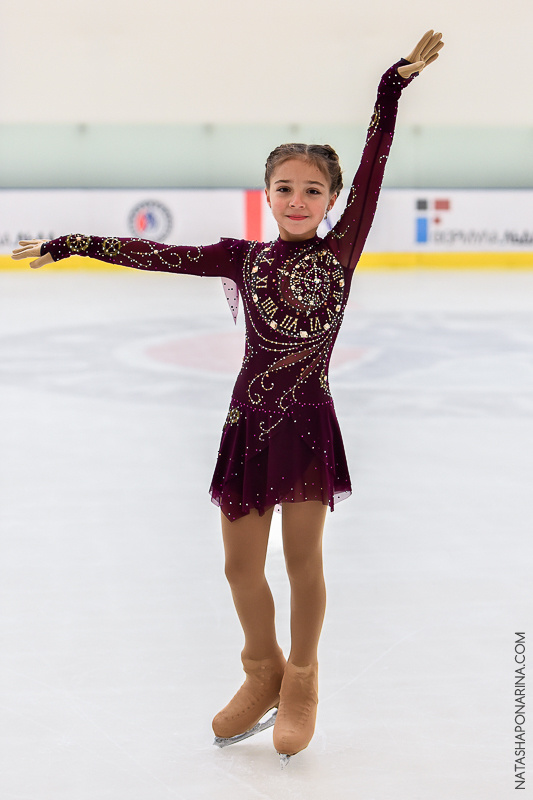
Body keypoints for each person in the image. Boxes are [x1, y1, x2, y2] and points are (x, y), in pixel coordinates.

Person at [12, 30, 444, 766]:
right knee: (239, 568)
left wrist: (389, 86)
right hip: (247, 426)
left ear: (334, 200)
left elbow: (375, 159)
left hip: (307, 424)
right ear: (265, 195)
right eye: (285, 188)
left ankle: (302, 679)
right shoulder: (241, 259)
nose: (298, 199)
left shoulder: (340, 249)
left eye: (313, 190)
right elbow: (157, 254)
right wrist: (73, 241)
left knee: (302, 562)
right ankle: (262, 669)